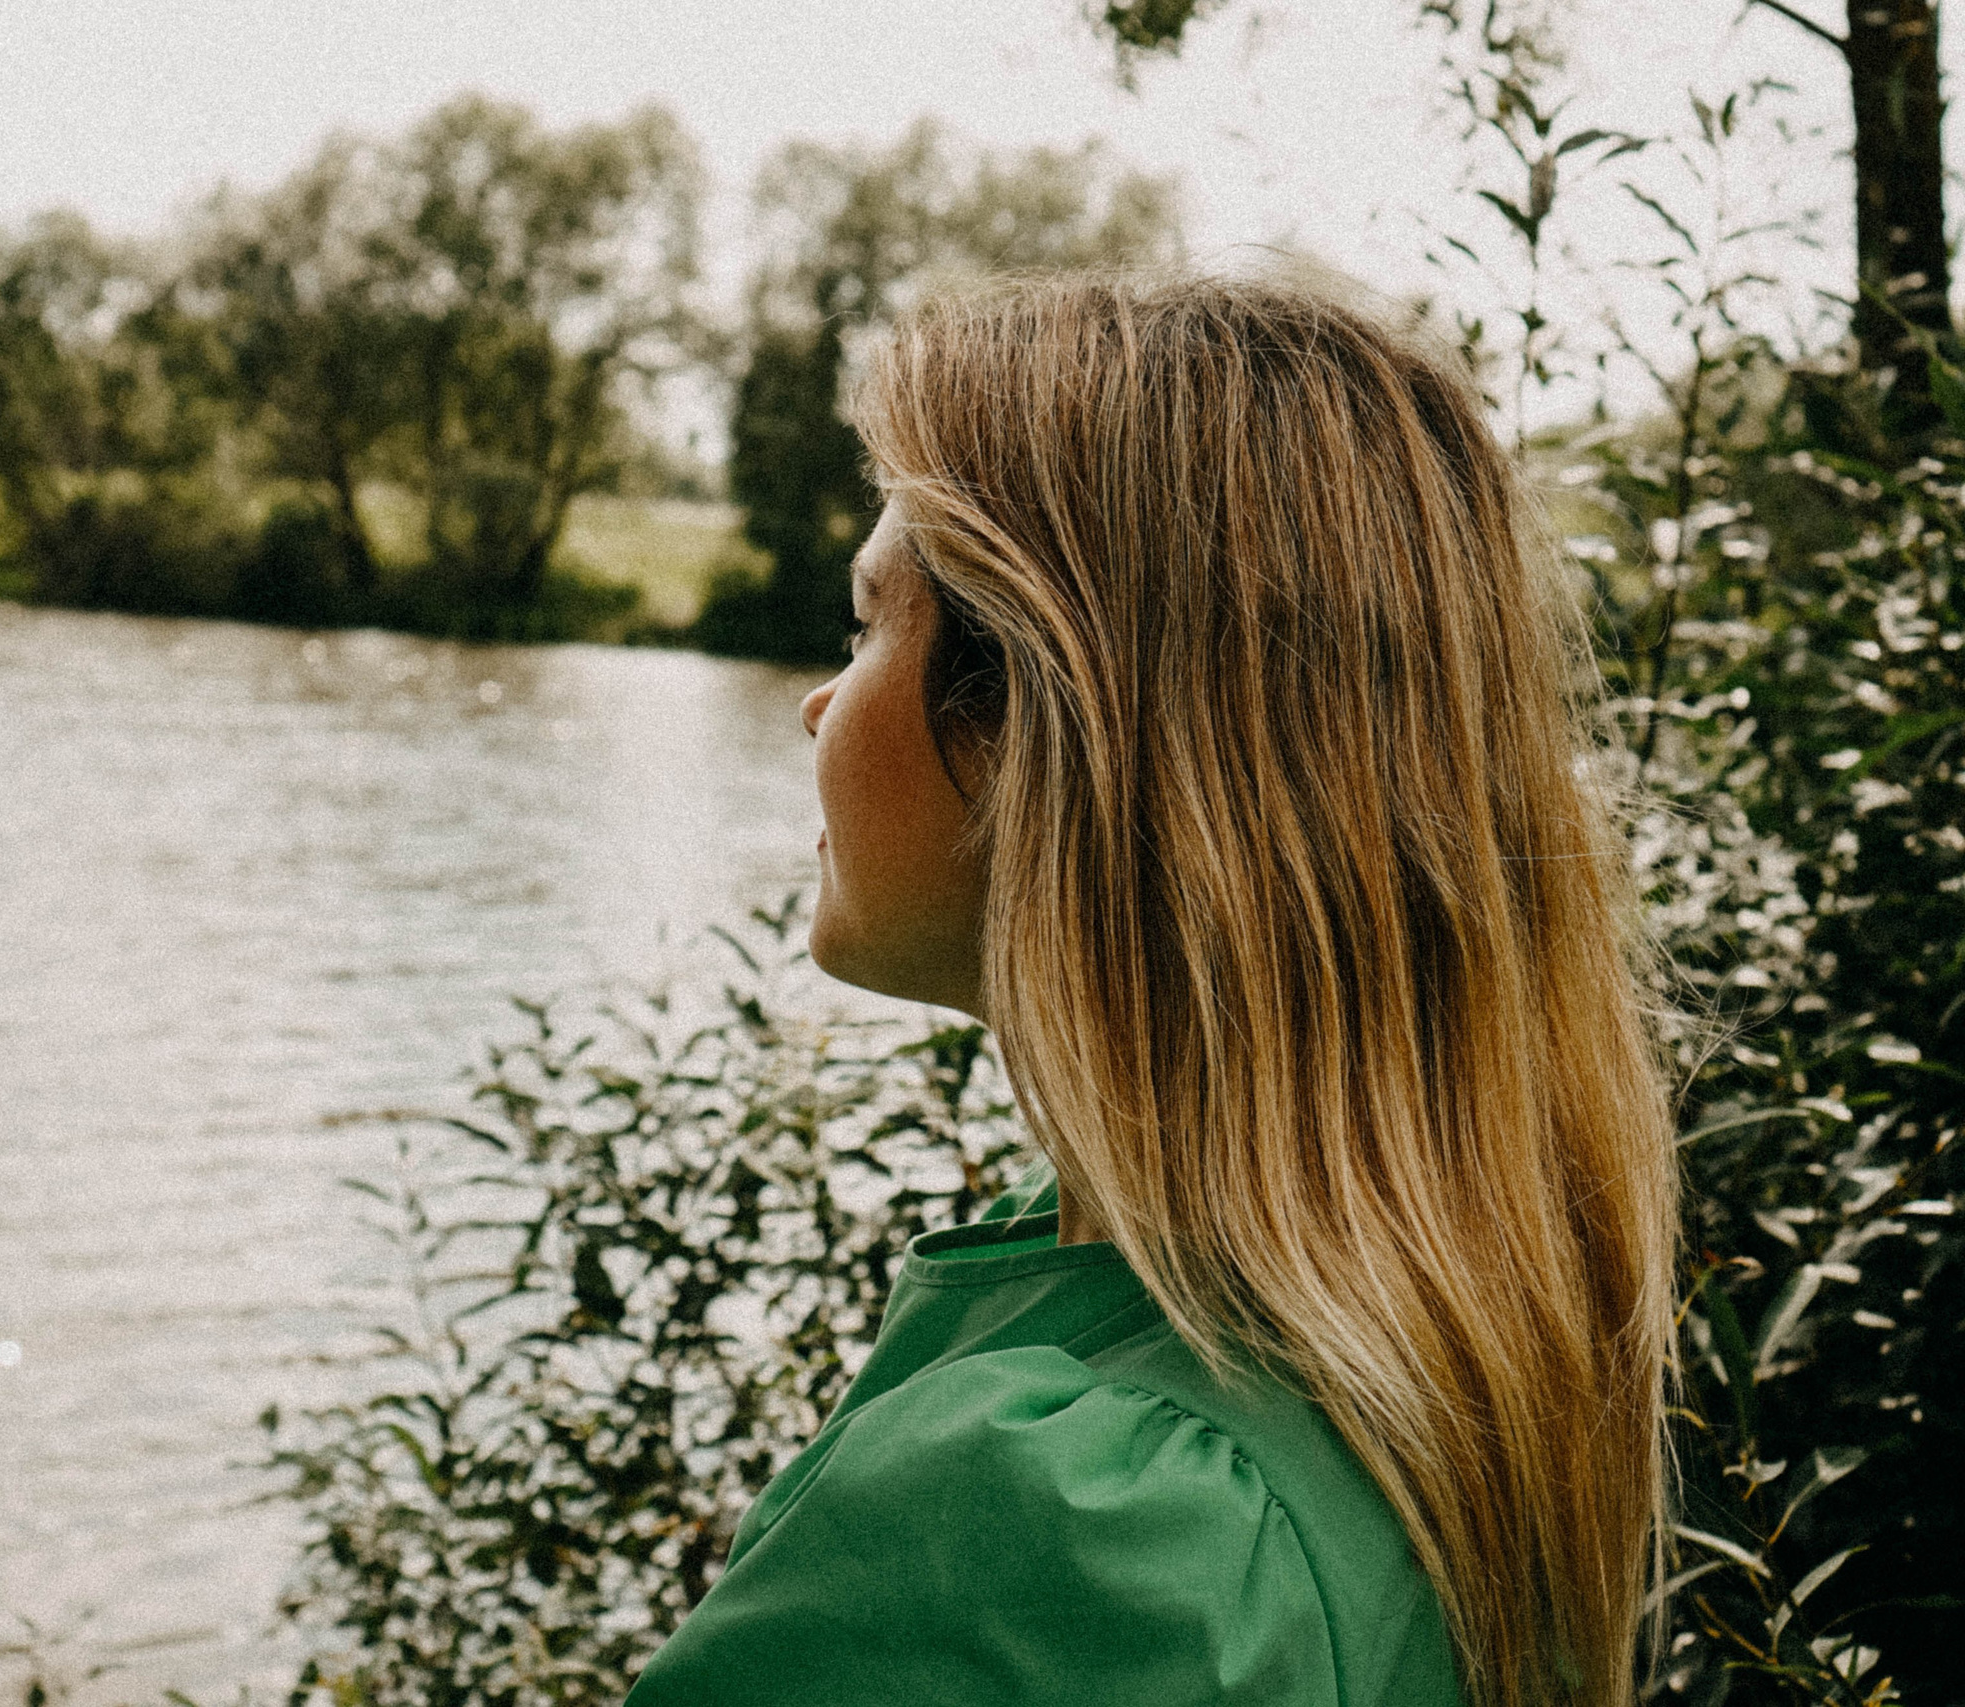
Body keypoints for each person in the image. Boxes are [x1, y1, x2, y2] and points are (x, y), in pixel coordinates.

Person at [626, 271, 1676, 1707]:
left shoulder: (1049, 1533)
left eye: (872, 625)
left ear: (1038, 734)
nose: (823, 698)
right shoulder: (1466, 1360)